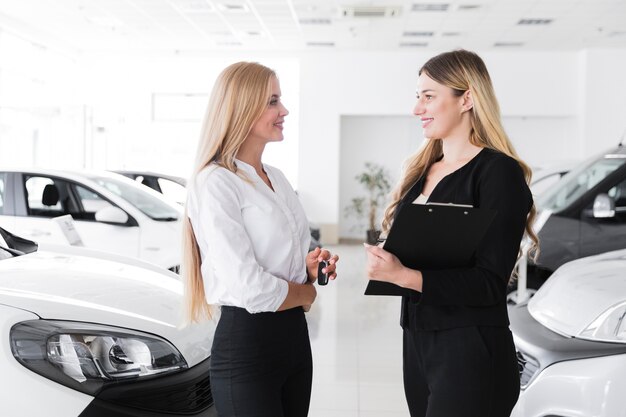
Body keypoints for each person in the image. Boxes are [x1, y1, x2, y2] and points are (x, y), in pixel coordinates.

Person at [364, 49, 538, 417]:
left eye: (429, 97)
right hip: (418, 341)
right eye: (418, 97)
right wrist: (388, 258)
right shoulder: (422, 170)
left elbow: (490, 282)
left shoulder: (497, 173)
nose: (417, 109)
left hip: (469, 346)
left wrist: (405, 275)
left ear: (467, 99)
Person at [182, 61, 339, 417]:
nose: (283, 110)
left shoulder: (277, 178)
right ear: (241, 108)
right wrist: (305, 292)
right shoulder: (215, 182)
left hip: (294, 340)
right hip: (248, 346)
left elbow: (287, 260)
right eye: (272, 101)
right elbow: (249, 287)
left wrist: (309, 267)